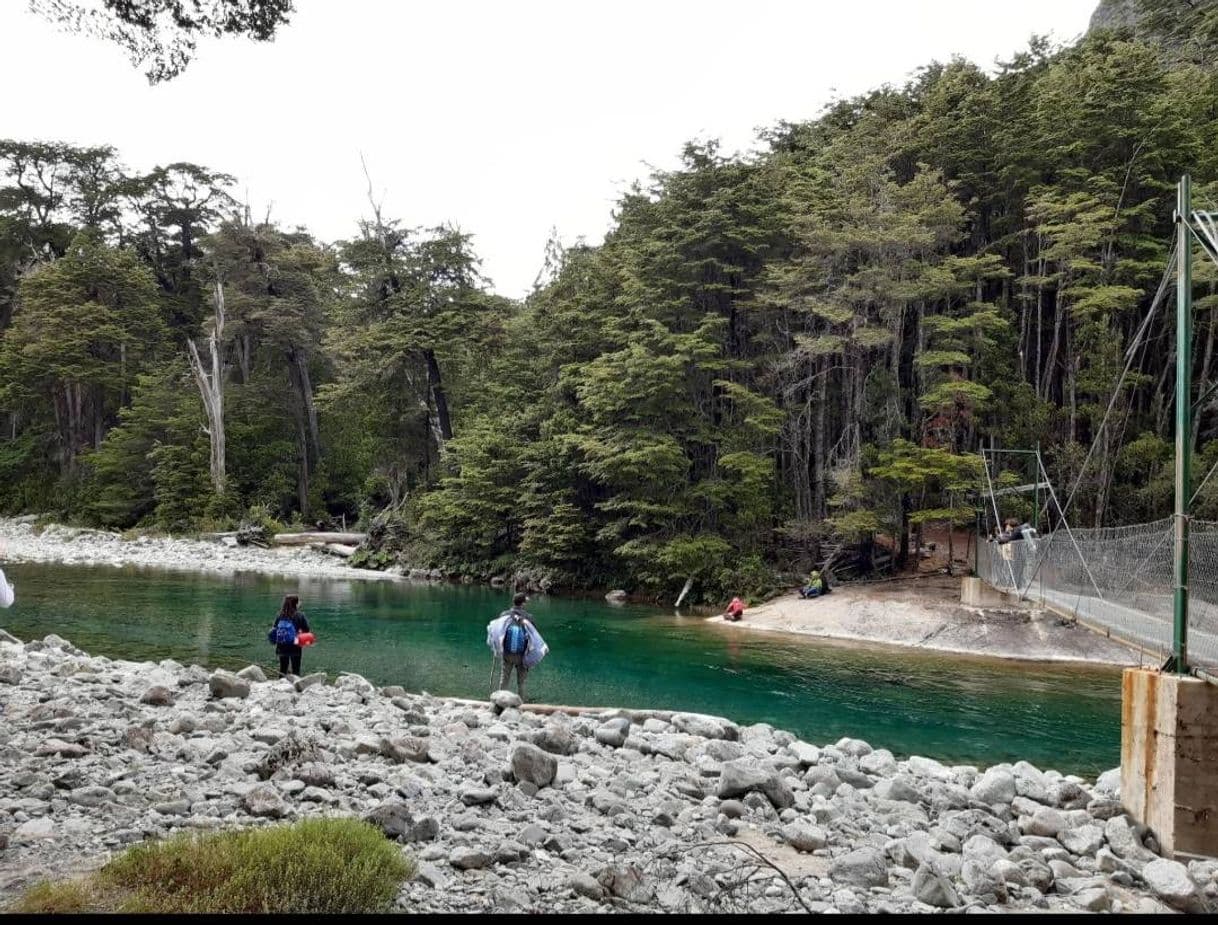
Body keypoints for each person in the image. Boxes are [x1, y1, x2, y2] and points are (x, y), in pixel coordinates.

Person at [496, 593, 536, 701]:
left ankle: (500, 701)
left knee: (504, 678)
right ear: (523, 603)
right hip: (522, 655)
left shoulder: (504, 614)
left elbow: (498, 633)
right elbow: (533, 637)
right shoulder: (529, 617)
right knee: (521, 682)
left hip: (507, 653)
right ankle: (521, 704)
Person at [268, 594, 310, 678]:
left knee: (283, 668)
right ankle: (296, 687)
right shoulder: (300, 615)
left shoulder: (280, 615)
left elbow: (275, 629)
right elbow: (307, 630)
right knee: (296, 669)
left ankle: (280, 685)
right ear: (296, 604)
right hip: (295, 644)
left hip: (282, 645)